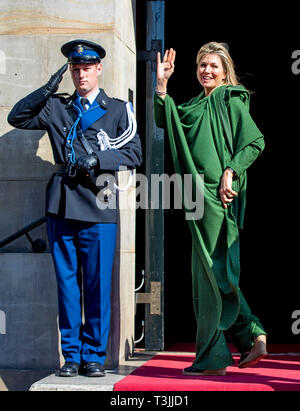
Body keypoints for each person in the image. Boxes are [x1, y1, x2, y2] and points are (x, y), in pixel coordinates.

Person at [8, 39, 142, 377]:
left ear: (99, 69)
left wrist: (99, 158)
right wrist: (47, 88)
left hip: (99, 206)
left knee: (97, 284)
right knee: (67, 284)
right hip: (62, 204)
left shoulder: (117, 110)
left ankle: (94, 355)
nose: (81, 74)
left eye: (86, 67)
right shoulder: (57, 107)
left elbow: (135, 154)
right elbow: (17, 117)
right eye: (75, 68)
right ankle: (71, 356)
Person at [154, 42, 267, 376]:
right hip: (196, 196)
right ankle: (251, 336)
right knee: (211, 271)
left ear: (225, 70)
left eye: (214, 66)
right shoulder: (193, 105)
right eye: (202, 65)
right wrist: (161, 86)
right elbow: (167, 120)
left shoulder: (230, 98)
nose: (207, 70)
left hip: (218, 196)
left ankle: (217, 356)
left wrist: (231, 171)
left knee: (211, 273)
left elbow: (255, 142)